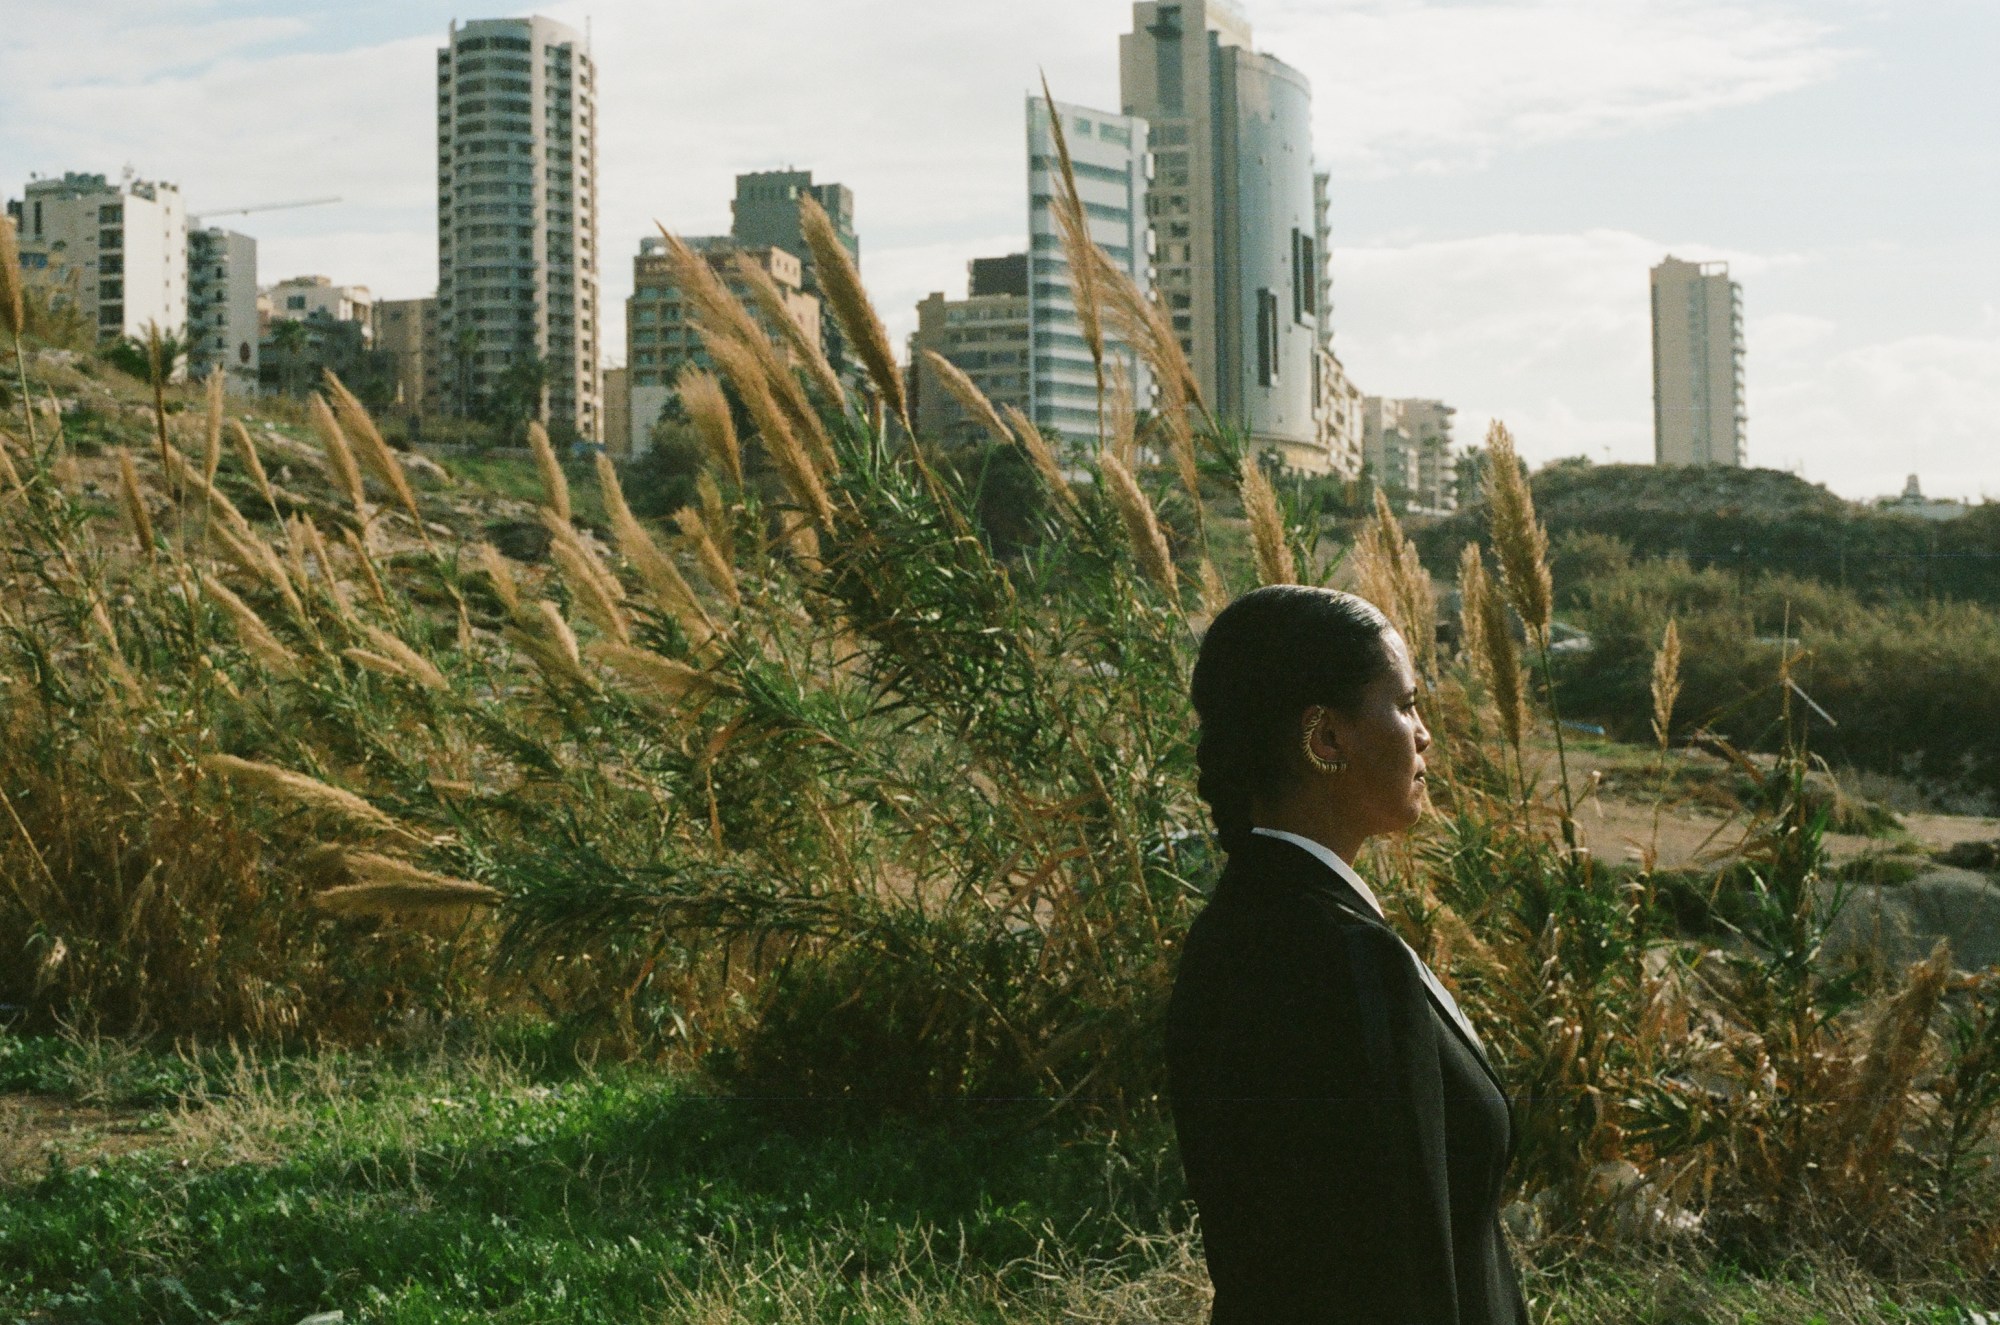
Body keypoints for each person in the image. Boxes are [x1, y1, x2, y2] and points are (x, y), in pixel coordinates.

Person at [1168, 585, 1525, 1325]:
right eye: (1405, 704)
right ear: (1325, 738)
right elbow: (1399, 1277)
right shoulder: (1350, 960)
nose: (1424, 734)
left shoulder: (1228, 933)